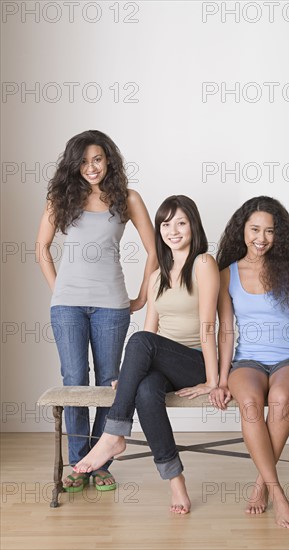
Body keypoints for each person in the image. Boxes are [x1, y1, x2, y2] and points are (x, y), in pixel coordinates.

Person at [73, 195, 220, 513]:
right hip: (162, 361)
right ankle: (176, 481)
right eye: (166, 224)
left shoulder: (204, 264)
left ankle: (113, 435)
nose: (173, 231)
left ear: (193, 225)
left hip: (194, 360)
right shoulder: (156, 277)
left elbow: (208, 326)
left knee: (140, 341)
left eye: (181, 222)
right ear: (159, 230)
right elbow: (151, 331)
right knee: (145, 389)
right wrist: (130, 376)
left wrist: (212, 380)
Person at [36, 130, 157, 492]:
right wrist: (60, 290)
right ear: (75, 163)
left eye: (98, 159)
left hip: (111, 304)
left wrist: (142, 296)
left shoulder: (128, 198)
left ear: (109, 161)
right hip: (67, 306)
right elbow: (41, 248)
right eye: (85, 161)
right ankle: (79, 461)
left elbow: (155, 251)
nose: (91, 167)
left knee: (109, 381)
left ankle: (100, 460)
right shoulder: (60, 198)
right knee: (74, 380)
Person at [211, 196, 289, 529]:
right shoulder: (226, 275)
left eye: (269, 231)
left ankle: (262, 485)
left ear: (280, 235)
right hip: (246, 360)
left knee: (280, 399)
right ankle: (279, 495)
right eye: (254, 229)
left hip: (288, 360)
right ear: (242, 230)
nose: (261, 238)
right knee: (249, 401)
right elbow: (226, 331)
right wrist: (222, 379)